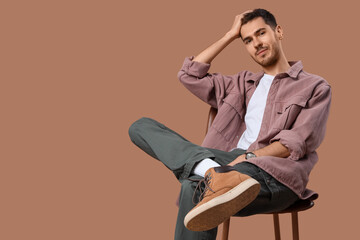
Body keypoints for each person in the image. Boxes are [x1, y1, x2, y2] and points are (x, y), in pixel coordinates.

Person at [128, 8, 331, 240]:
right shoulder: (242, 84)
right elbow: (189, 75)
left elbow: (296, 142)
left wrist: (250, 157)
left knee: (192, 187)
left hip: (275, 174)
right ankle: (214, 173)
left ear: (279, 32)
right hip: (231, 161)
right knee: (140, 126)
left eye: (261, 33)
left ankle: (213, 175)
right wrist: (229, 36)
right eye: (247, 40)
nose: (256, 43)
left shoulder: (315, 87)